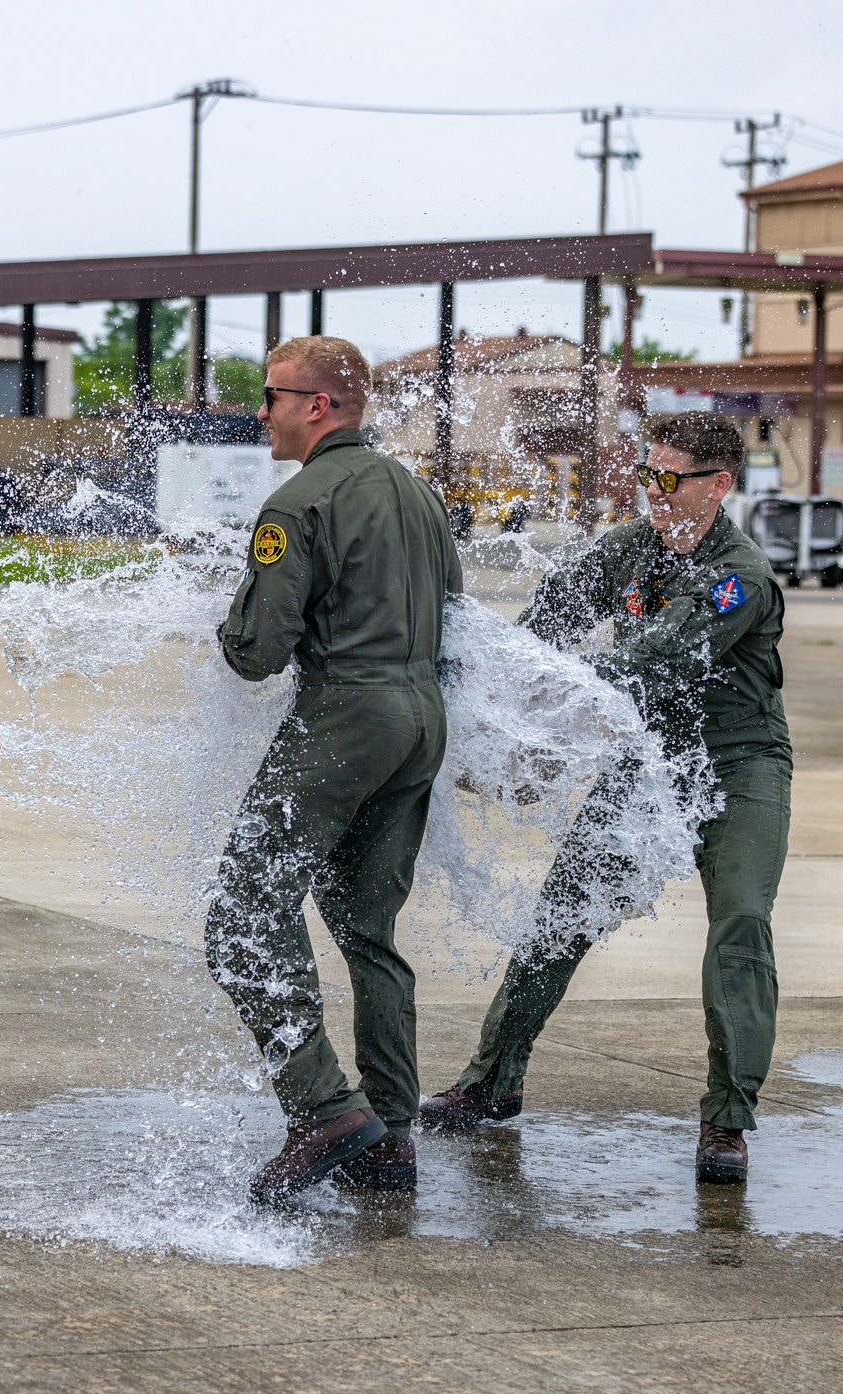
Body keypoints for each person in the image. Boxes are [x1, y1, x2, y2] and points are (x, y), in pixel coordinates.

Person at [421, 411, 791, 1185]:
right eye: (646, 474)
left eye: (668, 478)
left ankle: (726, 1117)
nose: (650, 491)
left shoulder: (740, 576)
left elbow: (656, 661)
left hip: (739, 766)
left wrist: (553, 708)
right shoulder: (631, 547)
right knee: (561, 916)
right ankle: (493, 1083)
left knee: (741, 926)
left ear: (718, 485)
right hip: (653, 764)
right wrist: (488, 694)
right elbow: (545, 626)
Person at [206, 334, 463, 1202]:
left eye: (273, 396)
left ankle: (323, 1107)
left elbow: (256, 653)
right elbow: (455, 618)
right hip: (421, 718)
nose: (262, 412)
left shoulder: (295, 504)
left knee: (240, 915)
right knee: (367, 928)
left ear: (320, 406)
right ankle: (390, 1135)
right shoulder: (421, 495)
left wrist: (220, 612)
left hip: (347, 713)